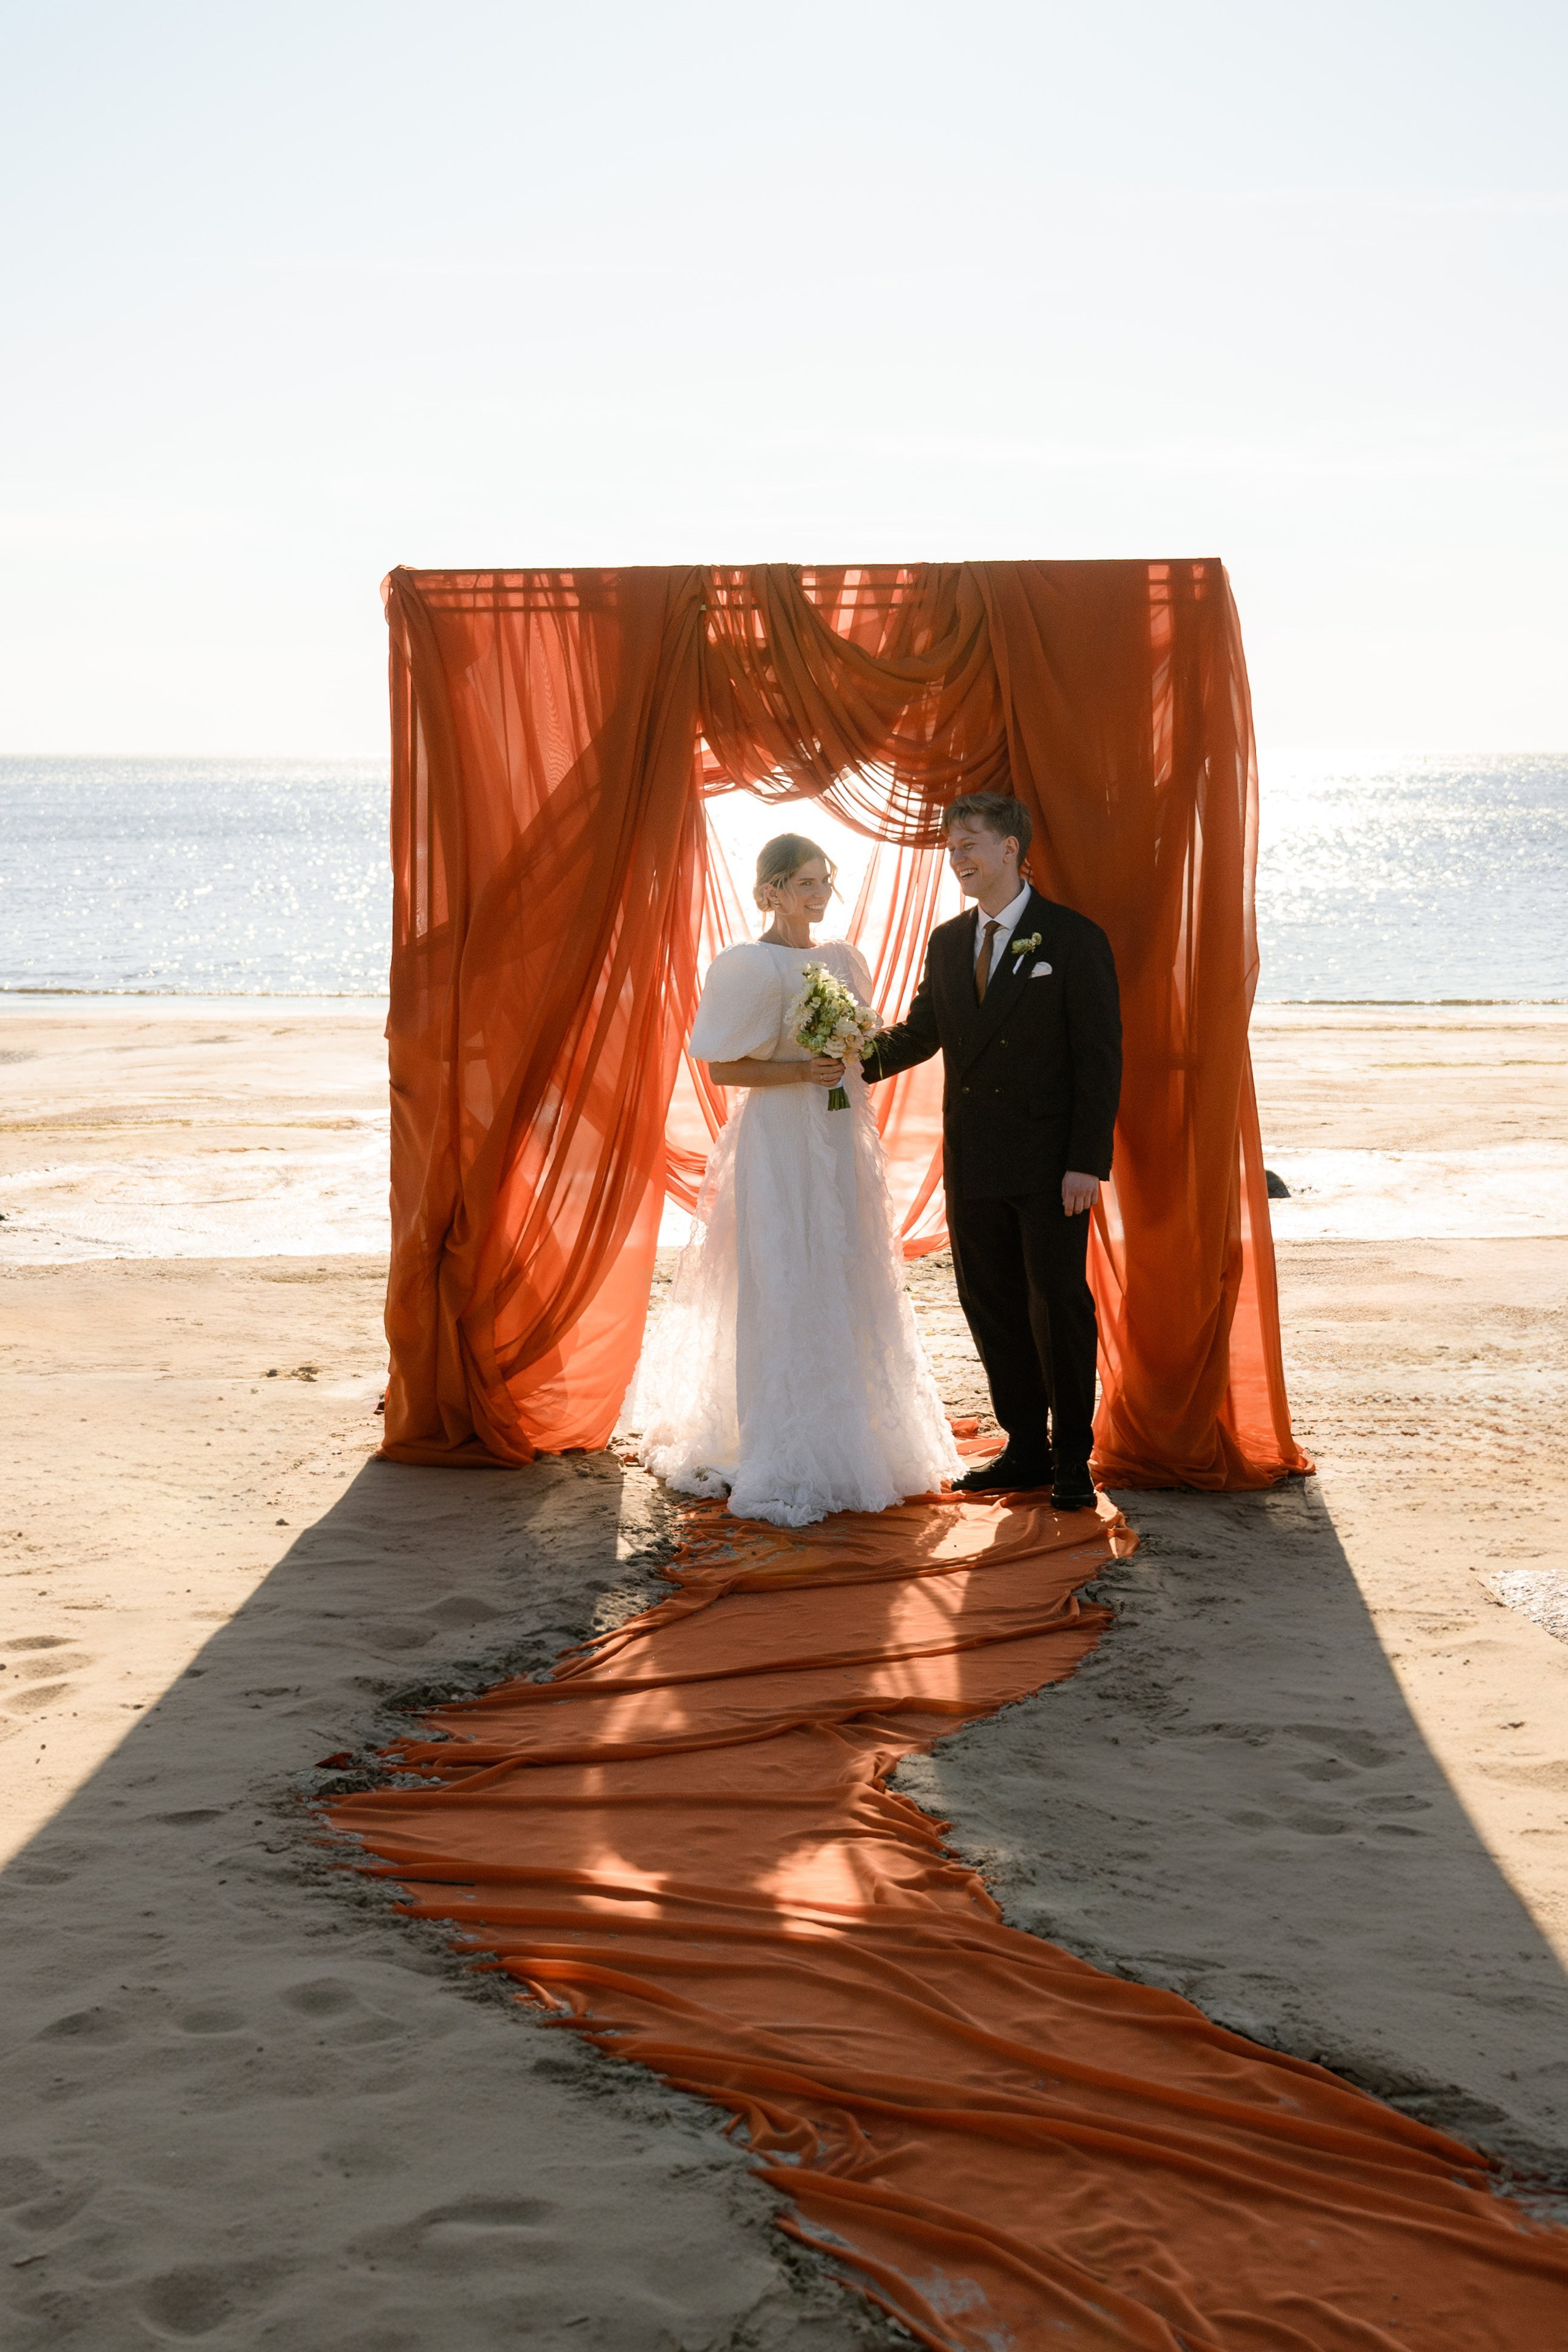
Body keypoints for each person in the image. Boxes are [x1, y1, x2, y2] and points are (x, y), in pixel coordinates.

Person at [630, 834, 961, 1527]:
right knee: (783, 1274)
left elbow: (863, 1048)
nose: (817, 895)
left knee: (848, 1271)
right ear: (770, 890)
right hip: (779, 1141)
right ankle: (779, 1440)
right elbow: (722, 1069)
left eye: (823, 882)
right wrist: (795, 1072)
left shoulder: (844, 961)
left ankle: (856, 1439)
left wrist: (845, 1054)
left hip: (839, 1136)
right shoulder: (746, 966)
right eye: (804, 883)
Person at [861, 790, 1121, 1512]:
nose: (958, 858)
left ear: (1011, 848)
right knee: (990, 1304)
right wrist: (843, 1056)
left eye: (970, 843)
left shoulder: (1071, 939)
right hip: (973, 1158)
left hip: (1051, 1166)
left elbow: (1099, 1058)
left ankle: (1073, 1458)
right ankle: (1025, 1448)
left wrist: (1085, 1161)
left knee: (1057, 1305)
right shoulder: (948, 942)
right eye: (952, 847)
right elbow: (918, 1034)